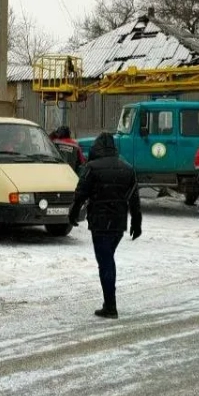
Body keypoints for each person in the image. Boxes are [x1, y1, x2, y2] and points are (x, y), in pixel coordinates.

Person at [68, 132, 142, 319]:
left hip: (99, 222)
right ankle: (109, 303)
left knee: (106, 262)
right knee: (108, 258)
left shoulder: (92, 168)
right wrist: (136, 222)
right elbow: (134, 198)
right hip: (118, 223)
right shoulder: (127, 168)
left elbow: (80, 194)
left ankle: (110, 306)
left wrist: (73, 212)